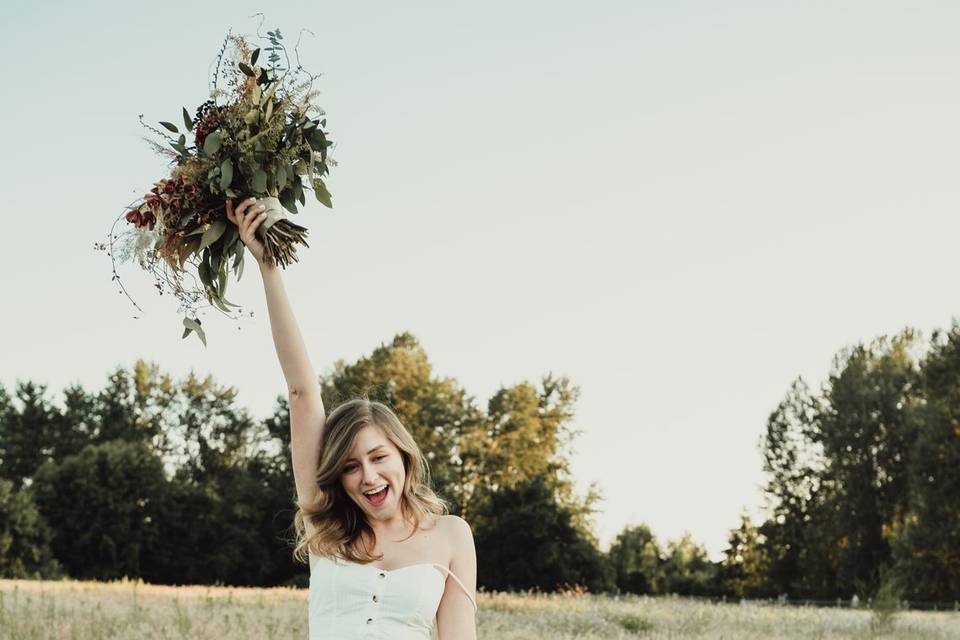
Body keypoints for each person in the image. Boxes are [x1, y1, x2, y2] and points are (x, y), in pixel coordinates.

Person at [226, 198, 478, 640]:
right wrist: (269, 267)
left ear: (403, 457)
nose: (368, 476)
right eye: (350, 466)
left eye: (379, 457)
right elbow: (302, 391)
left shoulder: (452, 535)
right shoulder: (325, 525)